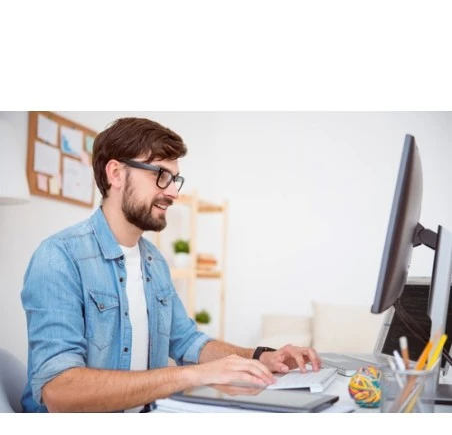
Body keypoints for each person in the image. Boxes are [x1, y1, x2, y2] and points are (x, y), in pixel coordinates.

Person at [21, 117, 321, 412]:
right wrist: (194, 376)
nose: (173, 192)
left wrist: (261, 357)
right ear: (116, 174)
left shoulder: (153, 261)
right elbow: (59, 390)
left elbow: (188, 341)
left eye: (174, 179)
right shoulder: (59, 257)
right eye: (161, 175)